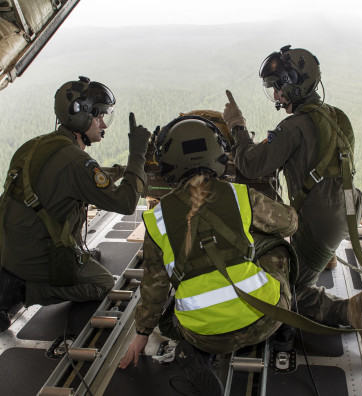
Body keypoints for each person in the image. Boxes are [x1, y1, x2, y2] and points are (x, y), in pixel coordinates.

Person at [223, 45, 362, 359]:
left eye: (277, 88)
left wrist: (237, 125)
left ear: (293, 85)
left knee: (281, 292)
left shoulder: (294, 126)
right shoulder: (336, 116)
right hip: (349, 209)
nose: (277, 96)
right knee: (314, 237)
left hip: (322, 224)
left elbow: (250, 164)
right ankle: (322, 255)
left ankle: (348, 310)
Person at [118, 115, 297, 394]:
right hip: (265, 321)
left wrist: (141, 335)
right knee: (277, 249)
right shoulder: (240, 196)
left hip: (203, 335)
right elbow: (289, 223)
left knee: (175, 310)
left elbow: (154, 290)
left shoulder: (157, 220)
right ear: (218, 154)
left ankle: (192, 354)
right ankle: (285, 335)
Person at [0, 76, 151, 331]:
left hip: (11, 248)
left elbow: (65, 193)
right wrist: (137, 154)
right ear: (81, 116)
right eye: (98, 116)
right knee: (103, 284)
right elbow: (126, 202)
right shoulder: (76, 162)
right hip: (34, 256)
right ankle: (24, 291)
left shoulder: (39, 145)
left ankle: (18, 274)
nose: (103, 123)